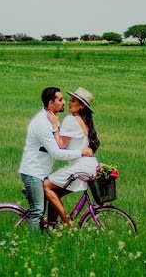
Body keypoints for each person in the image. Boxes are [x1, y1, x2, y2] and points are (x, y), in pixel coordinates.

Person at [18, 87, 94, 233]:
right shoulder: (42, 123)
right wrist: (81, 153)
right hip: (34, 172)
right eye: (60, 99)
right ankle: (35, 244)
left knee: (53, 196)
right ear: (50, 103)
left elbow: (61, 146)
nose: (64, 102)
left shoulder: (53, 120)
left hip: (43, 172)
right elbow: (57, 152)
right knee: (37, 212)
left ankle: (51, 229)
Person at [43, 87, 99, 227]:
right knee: (54, 194)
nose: (69, 103)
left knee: (46, 186)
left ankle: (67, 222)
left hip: (80, 167)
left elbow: (61, 145)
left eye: (73, 101)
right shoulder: (85, 121)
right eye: (69, 100)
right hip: (89, 166)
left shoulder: (71, 120)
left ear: (81, 106)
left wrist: (55, 125)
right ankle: (51, 228)